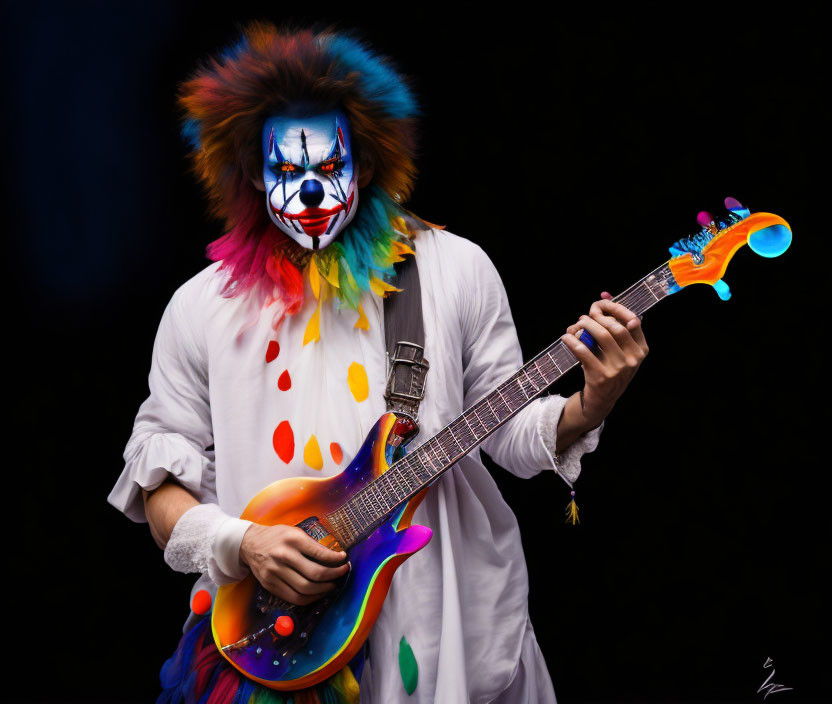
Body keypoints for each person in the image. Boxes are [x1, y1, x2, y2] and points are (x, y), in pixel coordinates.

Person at [108, 22, 649, 704]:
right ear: (251, 171)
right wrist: (243, 545)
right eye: (286, 170)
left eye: (328, 166)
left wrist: (592, 401)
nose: (309, 190)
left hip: (439, 629)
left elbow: (508, 436)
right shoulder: (198, 307)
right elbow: (157, 485)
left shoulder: (454, 268)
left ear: (362, 163)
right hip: (278, 644)